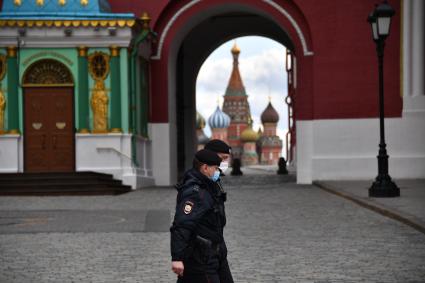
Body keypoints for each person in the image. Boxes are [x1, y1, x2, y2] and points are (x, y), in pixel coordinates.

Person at [170, 149, 234, 283]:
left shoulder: (208, 185)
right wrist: (177, 258)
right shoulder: (195, 192)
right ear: (205, 168)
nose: (218, 172)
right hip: (201, 257)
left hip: (214, 253)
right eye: (216, 168)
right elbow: (182, 224)